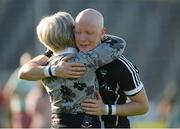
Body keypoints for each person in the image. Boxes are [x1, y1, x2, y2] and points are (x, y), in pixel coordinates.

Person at [19, 8, 149, 128]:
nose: (82, 39)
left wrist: (107, 109)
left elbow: (143, 106)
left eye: (89, 33)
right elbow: (24, 71)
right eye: (78, 32)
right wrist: (55, 70)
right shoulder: (65, 58)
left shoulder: (120, 64)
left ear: (102, 32)